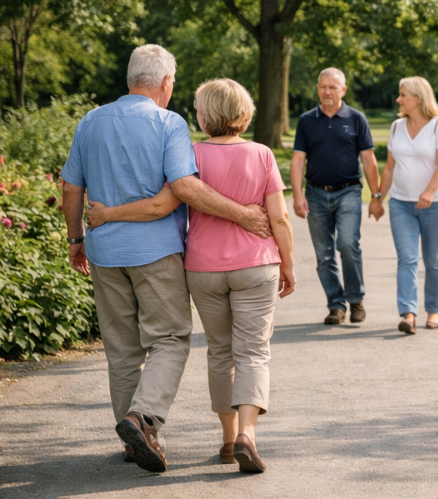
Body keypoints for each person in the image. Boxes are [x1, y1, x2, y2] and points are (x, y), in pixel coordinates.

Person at [60, 45, 272, 473]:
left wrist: (76, 238)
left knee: (121, 349)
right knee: (170, 338)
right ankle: (143, 418)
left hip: (103, 252)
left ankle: (133, 436)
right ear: (166, 82)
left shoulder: (90, 120)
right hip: (155, 252)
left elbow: (70, 188)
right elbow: (181, 191)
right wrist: (248, 216)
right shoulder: (168, 123)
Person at [290, 68, 382, 325]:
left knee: (348, 245)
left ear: (343, 90)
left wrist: (376, 196)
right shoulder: (307, 120)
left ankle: (355, 299)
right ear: (317, 88)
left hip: (349, 191)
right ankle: (335, 305)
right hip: (316, 194)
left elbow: (369, 160)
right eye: (323, 87)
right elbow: (298, 161)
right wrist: (298, 195)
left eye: (333, 87)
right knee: (324, 254)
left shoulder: (356, 118)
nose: (327, 91)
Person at [370, 77, 438, 334]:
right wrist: (377, 198)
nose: (399, 99)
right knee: (406, 259)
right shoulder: (396, 127)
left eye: (403, 94)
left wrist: (429, 191)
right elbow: (389, 167)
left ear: (418, 98)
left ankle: (434, 310)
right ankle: (408, 313)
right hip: (401, 204)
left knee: (434, 260)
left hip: (435, 204)